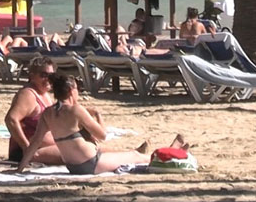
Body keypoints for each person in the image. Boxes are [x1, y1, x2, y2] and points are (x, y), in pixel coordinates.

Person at [18, 73, 157, 175]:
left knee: (129, 156)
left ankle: (166, 154)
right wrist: (97, 114)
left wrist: (20, 169)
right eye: (77, 89)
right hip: (91, 163)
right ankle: (168, 157)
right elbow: (102, 135)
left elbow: (34, 143)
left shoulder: (48, 113)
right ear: (72, 91)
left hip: (72, 166)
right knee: (136, 156)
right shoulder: (76, 110)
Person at [4, 57, 62, 165]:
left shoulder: (44, 94)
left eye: (51, 76)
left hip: (46, 148)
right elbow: (11, 120)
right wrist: (26, 147)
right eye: (43, 75)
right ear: (32, 75)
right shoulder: (28, 94)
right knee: (82, 154)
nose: (48, 79)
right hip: (30, 152)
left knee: (95, 148)